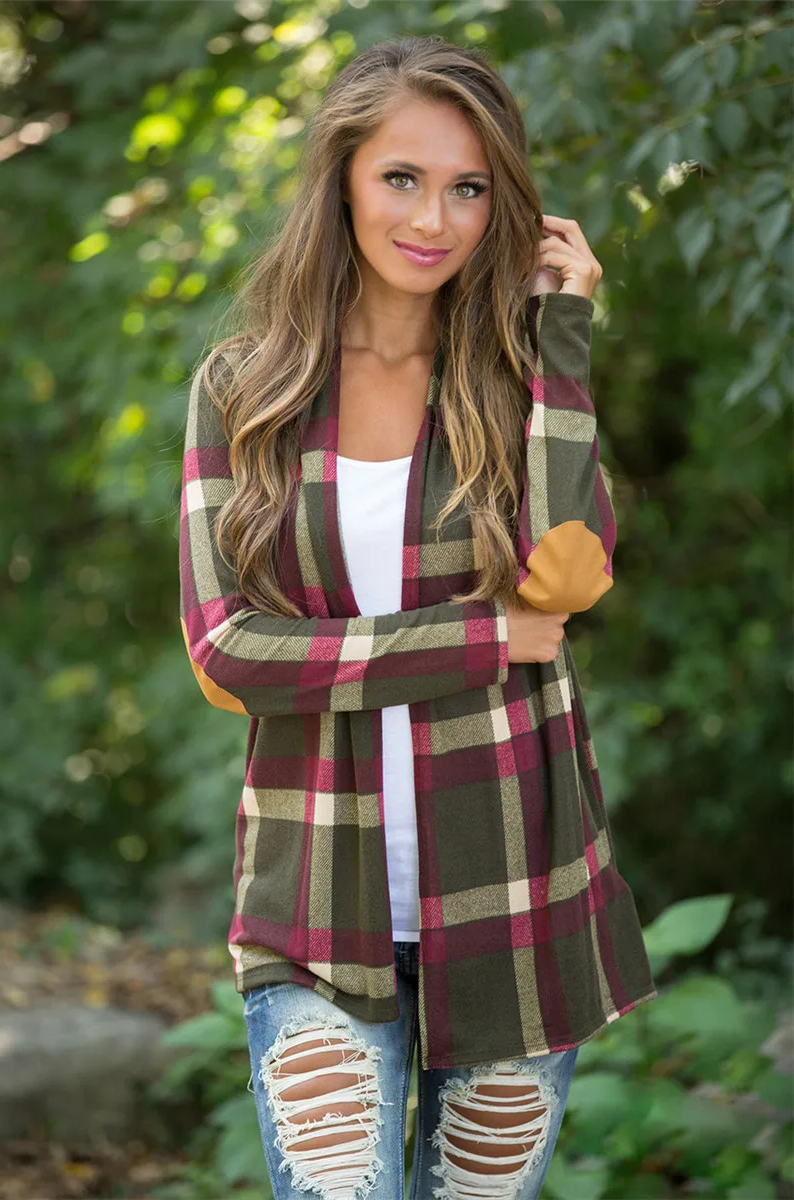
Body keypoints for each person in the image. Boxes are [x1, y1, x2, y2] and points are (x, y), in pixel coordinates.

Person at [178, 34, 657, 1200]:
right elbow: (226, 652)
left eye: (467, 187)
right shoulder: (245, 389)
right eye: (400, 177)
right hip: (311, 912)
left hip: (519, 905)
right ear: (341, 177)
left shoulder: (514, 378)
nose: (432, 218)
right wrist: (480, 640)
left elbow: (564, 577)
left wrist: (558, 340)